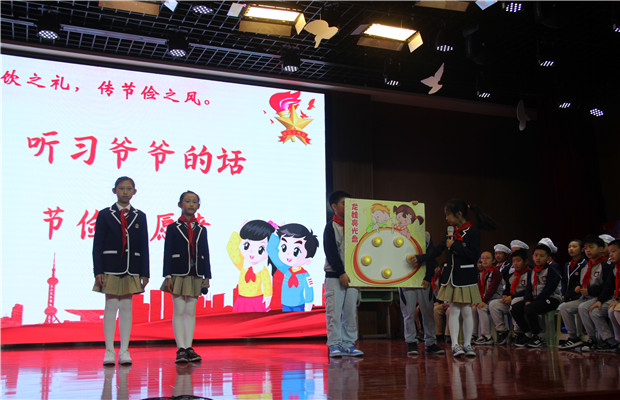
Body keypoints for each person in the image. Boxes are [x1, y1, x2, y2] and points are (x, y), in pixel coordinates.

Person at [410, 199, 497, 358]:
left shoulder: (473, 232)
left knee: (467, 310)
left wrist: (455, 246)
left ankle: (468, 344)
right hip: (451, 277)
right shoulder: (450, 232)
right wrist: (420, 258)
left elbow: (473, 256)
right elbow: (437, 250)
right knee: (454, 310)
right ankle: (455, 345)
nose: (446, 218)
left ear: (459, 214)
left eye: (448, 215)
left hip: (466, 277)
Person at [93, 176, 150, 365]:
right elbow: (97, 245)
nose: (125, 192)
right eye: (121, 188)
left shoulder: (140, 216)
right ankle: (109, 351)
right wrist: (98, 271)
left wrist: (145, 272)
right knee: (111, 306)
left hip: (132, 267)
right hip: (110, 266)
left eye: (129, 188)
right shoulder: (105, 214)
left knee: (126, 307)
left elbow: (144, 246)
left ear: (134, 191)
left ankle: (124, 350)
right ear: (114, 191)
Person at [162, 191, 211, 363]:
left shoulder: (201, 229)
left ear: (199, 206)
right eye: (187, 201)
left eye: (194, 202)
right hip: (178, 272)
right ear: (180, 204)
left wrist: (207, 275)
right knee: (179, 310)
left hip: (196, 272)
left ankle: (189, 347)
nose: (191, 204)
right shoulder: (172, 228)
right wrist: (167, 275)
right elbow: (167, 253)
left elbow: (205, 252)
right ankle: (180, 348)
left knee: (190, 311)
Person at [323, 190, 363, 357]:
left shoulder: (357, 227)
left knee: (350, 312)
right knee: (334, 312)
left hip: (353, 276)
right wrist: (341, 272)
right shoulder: (331, 227)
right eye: (344, 204)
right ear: (334, 206)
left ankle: (348, 343)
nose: (348, 207)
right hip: (335, 276)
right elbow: (331, 252)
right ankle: (334, 344)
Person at [400, 230, 445, 355]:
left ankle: (430, 342)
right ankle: (411, 342)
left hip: (423, 279)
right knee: (408, 313)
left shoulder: (425, 235)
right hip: (405, 279)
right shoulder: (397, 232)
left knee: (428, 312)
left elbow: (431, 255)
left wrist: (428, 277)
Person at [510, 238, 562, 348]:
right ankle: (527, 333)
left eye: (541, 256)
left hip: (550, 299)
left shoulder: (552, 270)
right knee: (515, 308)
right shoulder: (533, 270)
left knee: (530, 309)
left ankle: (536, 336)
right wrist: (528, 299)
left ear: (548, 258)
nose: (538, 258)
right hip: (535, 299)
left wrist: (534, 301)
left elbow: (549, 289)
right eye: (536, 255)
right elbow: (529, 288)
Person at [267, 223, 317, 312]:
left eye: (296, 251)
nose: (288, 254)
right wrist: (275, 234)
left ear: (308, 260)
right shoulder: (286, 270)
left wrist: (308, 306)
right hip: (285, 305)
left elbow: (309, 290)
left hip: (299, 306)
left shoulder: (305, 275)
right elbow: (271, 251)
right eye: (284, 247)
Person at [227, 220, 274, 312]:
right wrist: (238, 232)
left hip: (257, 300)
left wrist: (268, 297)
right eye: (246, 245)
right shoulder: (243, 264)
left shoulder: (262, 270)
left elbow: (267, 285)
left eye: (260, 249)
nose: (252, 252)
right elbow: (231, 249)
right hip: (242, 300)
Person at [577, 235, 615, 352]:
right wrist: (578, 288)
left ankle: (607, 340)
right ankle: (587, 338)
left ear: (601, 249)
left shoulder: (606, 265)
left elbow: (608, 286)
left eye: (591, 247)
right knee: (566, 307)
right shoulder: (585, 266)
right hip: (587, 297)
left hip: (602, 297)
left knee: (588, 309)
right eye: (585, 248)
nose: (588, 250)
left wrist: (598, 299)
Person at [489, 248, 531, 345]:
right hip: (511, 299)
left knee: (515, 301)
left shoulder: (530, 274)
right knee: (494, 304)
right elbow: (507, 288)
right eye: (513, 261)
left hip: (523, 299)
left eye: (518, 261)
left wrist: (512, 297)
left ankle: (518, 331)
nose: (515, 263)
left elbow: (529, 290)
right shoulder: (511, 275)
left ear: (525, 261)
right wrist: (505, 295)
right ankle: (502, 331)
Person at [558, 239, 588, 349]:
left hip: (578, 296)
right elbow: (564, 281)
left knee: (566, 307)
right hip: (567, 296)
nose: (571, 249)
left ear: (582, 249)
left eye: (574, 247)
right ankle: (572, 337)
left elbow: (579, 285)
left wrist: (568, 295)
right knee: (563, 307)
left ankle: (582, 336)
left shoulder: (584, 264)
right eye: (569, 247)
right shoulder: (567, 264)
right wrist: (563, 294)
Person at [474, 251, 503, 345]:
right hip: (485, 299)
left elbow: (492, 289)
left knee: (481, 307)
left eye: (488, 258)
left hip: (495, 298)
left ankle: (487, 336)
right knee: (473, 307)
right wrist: (477, 300)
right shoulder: (481, 273)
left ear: (493, 260)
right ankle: (474, 334)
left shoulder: (496, 272)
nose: (485, 260)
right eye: (482, 258)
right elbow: (479, 289)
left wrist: (483, 301)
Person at [606, 239, 620, 352]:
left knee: (617, 311)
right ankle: (618, 340)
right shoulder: (615, 267)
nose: (610, 255)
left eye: (613, 251)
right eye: (609, 252)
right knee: (611, 310)